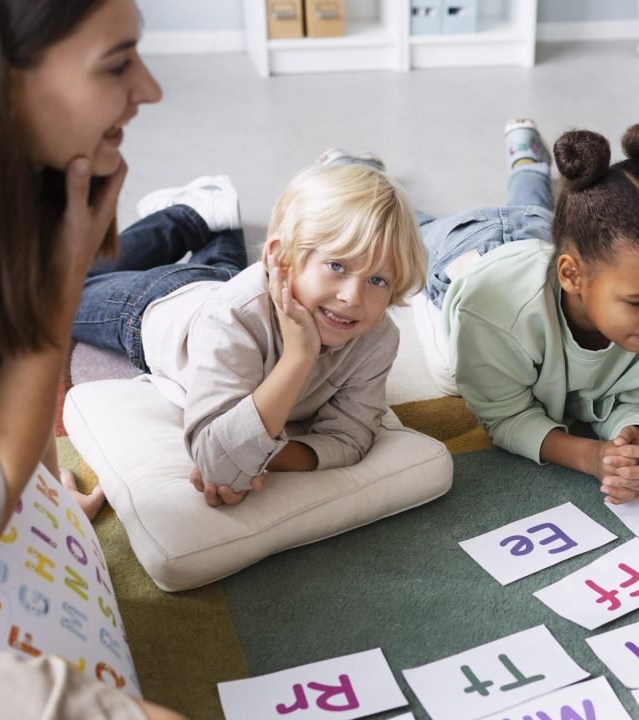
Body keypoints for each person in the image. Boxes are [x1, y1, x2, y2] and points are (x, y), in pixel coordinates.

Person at [0, 0, 180, 716]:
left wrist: (43, 500)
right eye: (117, 63)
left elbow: (3, 369)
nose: (150, 89)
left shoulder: (17, 172)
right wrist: (63, 286)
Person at [73, 163, 425, 507]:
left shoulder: (377, 337)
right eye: (337, 266)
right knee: (59, 292)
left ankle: (217, 220)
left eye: (377, 280)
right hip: (156, 302)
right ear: (279, 260)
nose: (352, 297)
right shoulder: (231, 317)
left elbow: (350, 438)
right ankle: (185, 217)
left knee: (222, 266)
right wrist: (298, 357)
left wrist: (259, 455)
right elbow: (218, 460)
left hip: (228, 282)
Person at [419, 120, 639, 504]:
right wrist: (591, 456)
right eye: (638, 302)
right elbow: (506, 418)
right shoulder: (492, 315)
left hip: (537, 234)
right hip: (464, 252)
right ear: (572, 276)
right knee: (397, 227)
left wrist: (636, 433)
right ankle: (351, 169)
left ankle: (527, 159)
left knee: (532, 208)